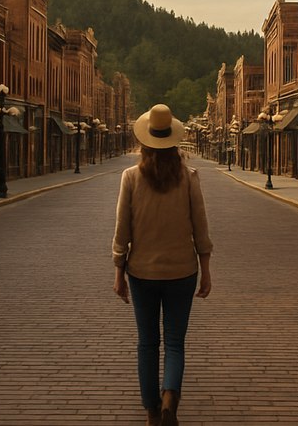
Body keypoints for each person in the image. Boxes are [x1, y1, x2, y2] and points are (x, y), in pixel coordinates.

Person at [112, 104, 213, 426]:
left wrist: (118, 272)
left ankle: (152, 413)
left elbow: (122, 230)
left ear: (145, 142)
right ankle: (170, 396)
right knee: (175, 343)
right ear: (174, 141)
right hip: (182, 271)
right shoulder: (189, 177)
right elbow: (201, 226)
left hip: (141, 272)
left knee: (147, 343)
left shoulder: (130, 177)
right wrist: (206, 269)